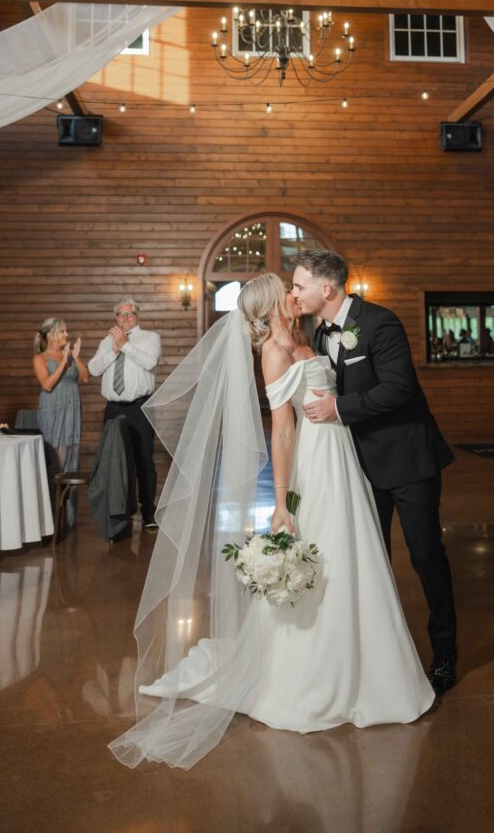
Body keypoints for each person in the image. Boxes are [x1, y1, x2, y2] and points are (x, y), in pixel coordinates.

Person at [109, 273, 434, 770]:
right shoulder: (274, 352)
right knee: (328, 560)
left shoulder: (308, 337)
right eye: (289, 288)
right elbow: (282, 431)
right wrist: (282, 502)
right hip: (316, 465)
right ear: (273, 304)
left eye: (297, 285)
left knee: (358, 557)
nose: (296, 293)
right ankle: (316, 672)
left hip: (344, 459)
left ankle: (372, 665)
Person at [292, 249, 458, 693]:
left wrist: (338, 407)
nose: (295, 293)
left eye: (299, 285)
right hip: (357, 466)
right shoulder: (318, 330)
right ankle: (383, 656)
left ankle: (444, 655)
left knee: (425, 557)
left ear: (325, 288)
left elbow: (399, 389)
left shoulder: (380, 322)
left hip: (408, 461)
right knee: (373, 559)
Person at [88, 298, 161, 531]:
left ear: (137, 316)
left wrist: (126, 345)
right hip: (113, 408)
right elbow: (93, 368)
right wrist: (114, 349)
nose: (126, 318)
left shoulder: (150, 338)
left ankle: (148, 513)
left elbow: (149, 362)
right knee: (115, 459)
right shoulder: (106, 342)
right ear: (116, 318)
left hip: (140, 408)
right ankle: (120, 511)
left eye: (130, 314)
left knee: (143, 460)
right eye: (121, 315)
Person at [34, 318, 88, 527]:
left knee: (72, 462)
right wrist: (64, 362)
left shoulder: (69, 356)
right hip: (53, 413)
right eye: (62, 332)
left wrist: (75, 358)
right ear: (50, 335)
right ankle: (52, 520)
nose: (66, 335)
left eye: (66, 331)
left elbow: (83, 378)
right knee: (56, 463)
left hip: (72, 412)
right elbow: (47, 385)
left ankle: (69, 518)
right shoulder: (40, 358)